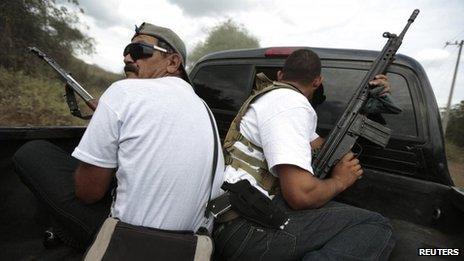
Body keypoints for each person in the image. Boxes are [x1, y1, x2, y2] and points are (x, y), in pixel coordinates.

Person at [13, 22, 224, 249]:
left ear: (173, 62)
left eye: (139, 50)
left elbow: (87, 193)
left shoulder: (123, 92)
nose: (127, 58)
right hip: (194, 247)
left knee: (32, 153)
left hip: (129, 244)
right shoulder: (203, 107)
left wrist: (107, 119)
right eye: (126, 50)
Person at [213, 49, 395, 260]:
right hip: (247, 229)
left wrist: (366, 110)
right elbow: (300, 196)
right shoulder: (291, 105)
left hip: (238, 216)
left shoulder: (273, 99)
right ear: (318, 81)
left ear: (280, 75)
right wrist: (339, 181)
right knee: (375, 226)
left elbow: (324, 149)